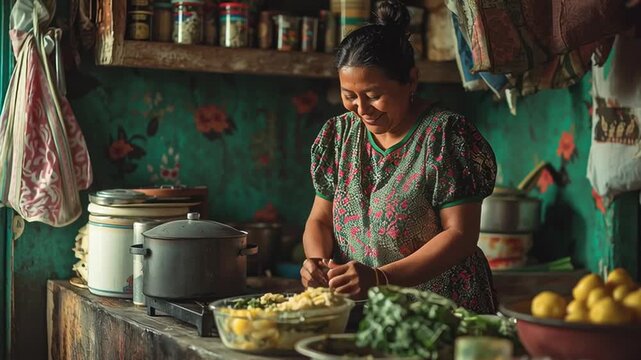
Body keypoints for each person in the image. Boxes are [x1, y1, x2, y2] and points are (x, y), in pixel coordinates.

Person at [299, 0, 498, 314]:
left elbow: (460, 235)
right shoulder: (337, 137)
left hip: (443, 311)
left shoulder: (446, 137)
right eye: (349, 96)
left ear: (411, 80)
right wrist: (318, 263)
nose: (362, 110)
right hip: (372, 313)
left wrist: (381, 278)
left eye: (374, 95)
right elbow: (320, 219)